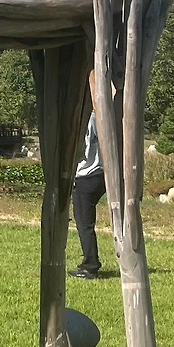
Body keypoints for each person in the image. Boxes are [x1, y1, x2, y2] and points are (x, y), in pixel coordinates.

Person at [70, 112, 106, 280]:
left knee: (84, 225)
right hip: (101, 174)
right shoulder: (98, 116)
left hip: (84, 176)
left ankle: (90, 266)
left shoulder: (77, 118)